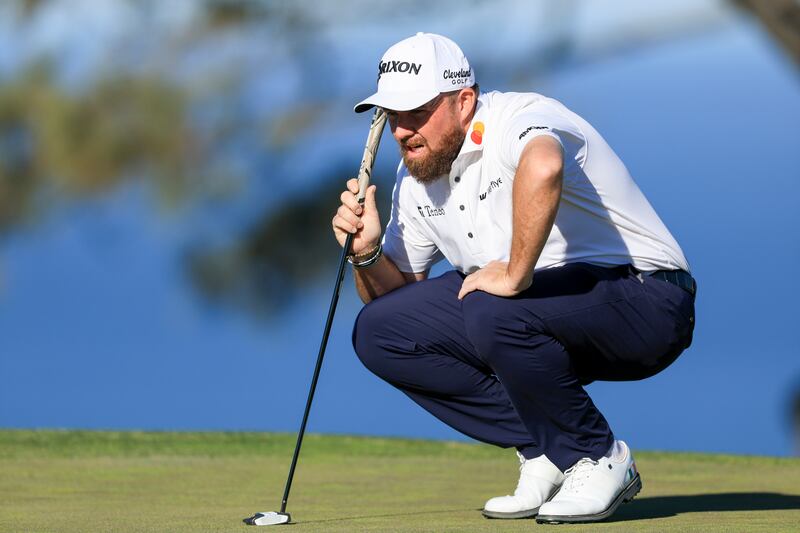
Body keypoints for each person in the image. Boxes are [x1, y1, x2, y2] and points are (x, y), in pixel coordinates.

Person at [332, 32, 695, 524]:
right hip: (533, 312)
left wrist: (514, 273)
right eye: (393, 116)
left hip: (647, 299)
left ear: (464, 102)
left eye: (416, 112)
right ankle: (545, 450)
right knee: (380, 331)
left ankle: (597, 456)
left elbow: (543, 166)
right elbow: (397, 303)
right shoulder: (415, 178)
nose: (401, 130)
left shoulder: (519, 118)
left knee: (490, 303)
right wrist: (368, 254)